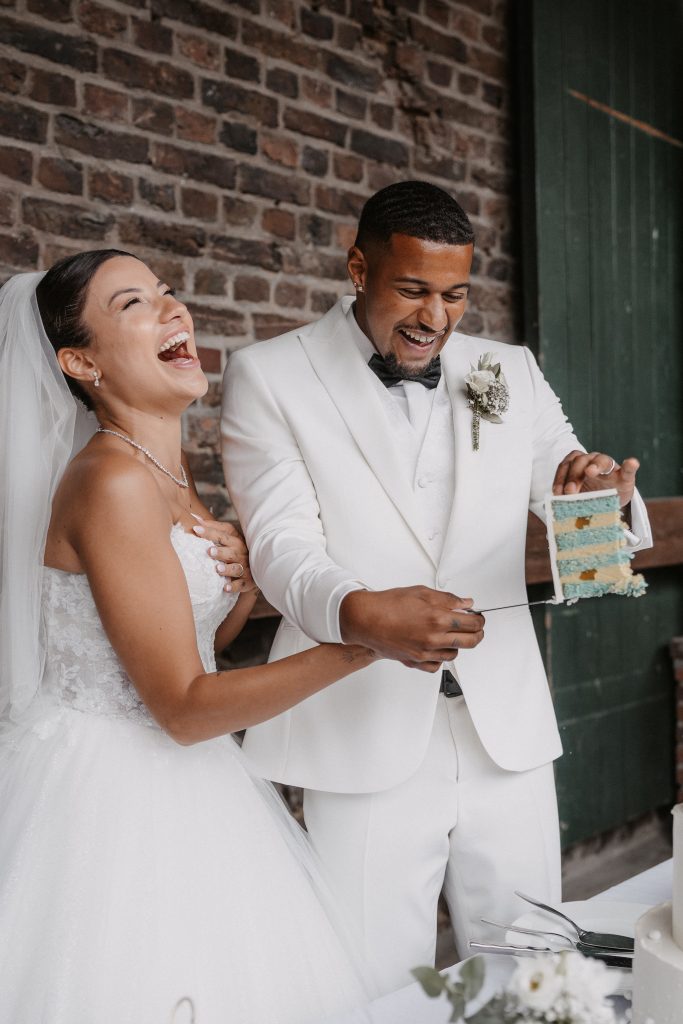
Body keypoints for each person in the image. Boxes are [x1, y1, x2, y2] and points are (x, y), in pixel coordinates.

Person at [219, 180, 653, 994]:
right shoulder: (270, 374)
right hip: (362, 731)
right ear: (358, 266)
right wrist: (358, 614)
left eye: (454, 295)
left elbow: (586, 545)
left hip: (505, 731)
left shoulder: (506, 373)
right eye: (411, 289)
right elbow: (280, 544)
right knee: (374, 982)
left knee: (535, 971)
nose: (434, 318)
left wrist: (596, 501)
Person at [0, 250, 379, 1024]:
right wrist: (363, 643)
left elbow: (198, 640)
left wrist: (236, 585)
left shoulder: (168, 476)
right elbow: (181, 704)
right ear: (80, 361)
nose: (175, 310)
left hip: (198, 781)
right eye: (134, 303)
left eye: (169, 293)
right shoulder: (110, 480)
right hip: (109, 796)